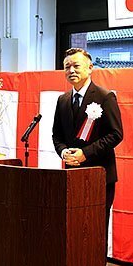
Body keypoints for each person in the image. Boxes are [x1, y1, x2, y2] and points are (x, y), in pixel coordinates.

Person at [52, 47, 123, 240]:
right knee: (73, 227)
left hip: (99, 174)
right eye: (67, 67)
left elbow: (116, 134)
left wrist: (86, 153)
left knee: (95, 228)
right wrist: (63, 151)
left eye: (76, 65)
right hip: (71, 173)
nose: (71, 71)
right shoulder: (63, 100)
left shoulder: (105, 96)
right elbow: (56, 135)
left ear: (90, 68)